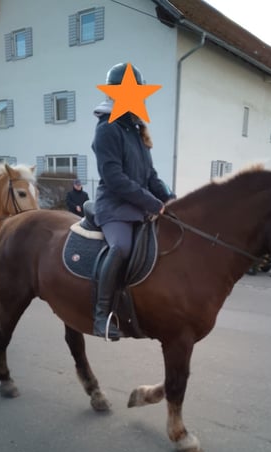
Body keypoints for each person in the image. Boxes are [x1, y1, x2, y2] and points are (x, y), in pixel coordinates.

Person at [91, 62, 175, 340]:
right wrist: (153, 203)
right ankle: (101, 315)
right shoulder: (107, 129)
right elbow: (114, 178)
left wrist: (170, 200)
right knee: (122, 247)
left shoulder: (136, 130)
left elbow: (150, 176)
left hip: (138, 207)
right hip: (114, 208)